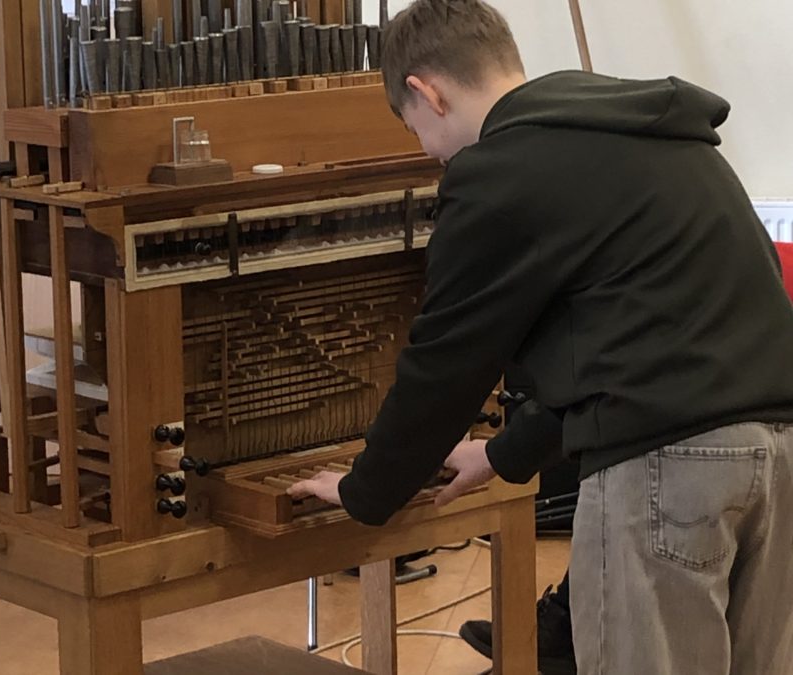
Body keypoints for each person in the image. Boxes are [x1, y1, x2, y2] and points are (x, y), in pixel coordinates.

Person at [286, 1, 793, 673]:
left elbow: (446, 364)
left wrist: (365, 491)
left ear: (425, 92)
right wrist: (502, 451)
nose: (430, 156)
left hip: (666, 468)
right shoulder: (645, 129)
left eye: (416, 134)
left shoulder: (498, 173)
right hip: (780, 451)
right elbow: (634, 335)